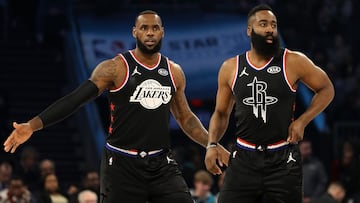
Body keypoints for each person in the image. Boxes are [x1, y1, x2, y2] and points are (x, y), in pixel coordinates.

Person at [3, 10, 230, 203]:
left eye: (154, 28)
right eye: (144, 28)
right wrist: (32, 126)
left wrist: (211, 143)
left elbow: (186, 118)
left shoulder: (174, 72)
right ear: (135, 32)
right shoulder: (115, 68)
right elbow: (76, 99)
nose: (149, 33)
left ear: (162, 32)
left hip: (161, 163)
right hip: (121, 164)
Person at [204, 4, 334, 203]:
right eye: (263, 24)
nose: (269, 29)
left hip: (282, 158)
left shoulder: (292, 60)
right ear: (249, 30)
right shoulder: (231, 67)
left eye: (273, 25)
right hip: (244, 158)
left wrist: (302, 121)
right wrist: (212, 144)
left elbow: (326, 89)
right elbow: (221, 113)